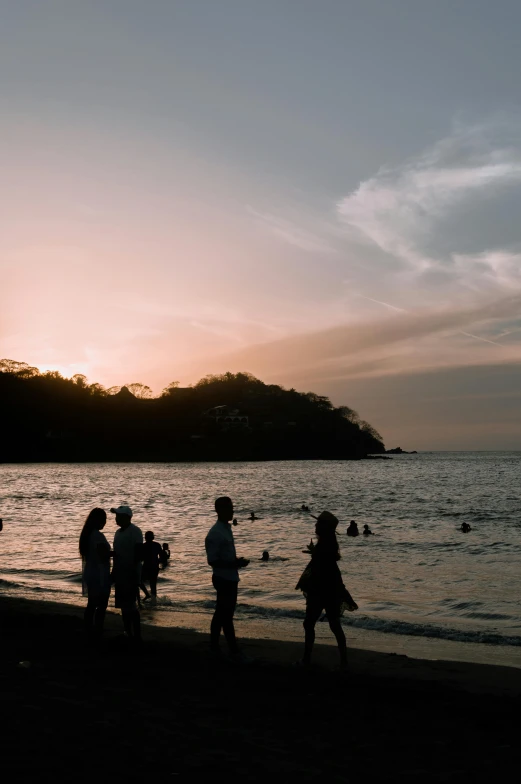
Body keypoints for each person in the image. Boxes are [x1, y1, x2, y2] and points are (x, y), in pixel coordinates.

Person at [296, 511, 358, 670]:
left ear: (323, 527)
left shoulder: (324, 546)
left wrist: (314, 553)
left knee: (310, 623)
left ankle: (307, 659)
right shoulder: (328, 544)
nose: (315, 525)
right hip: (331, 588)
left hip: (321, 589)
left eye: (318, 523)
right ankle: (343, 661)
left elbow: (321, 565)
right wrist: (314, 551)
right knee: (334, 625)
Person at [205, 496, 249, 659]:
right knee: (226, 615)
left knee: (221, 614)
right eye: (229, 508)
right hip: (224, 578)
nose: (232, 510)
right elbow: (213, 560)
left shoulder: (225, 528)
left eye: (232, 507)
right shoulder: (215, 533)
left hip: (229, 576)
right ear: (219, 510)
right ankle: (232, 649)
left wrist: (236, 562)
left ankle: (215, 645)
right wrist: (234, 564)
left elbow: (224, 556)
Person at [111, 505, 143, 642]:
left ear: (127, 517)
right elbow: (117, 554)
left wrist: (134, 572)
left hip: (130, 572)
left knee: (131, 605)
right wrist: (113, 571)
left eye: (118, 516)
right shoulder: (118, 533)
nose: (116, 518)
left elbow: (139, 553)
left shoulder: (135, 531)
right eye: (116, 515)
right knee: (123, 605)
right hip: (120, 573)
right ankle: (127, 631)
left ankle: (136, 634)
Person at [79, 508, 111, 638]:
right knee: (101, 605)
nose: (105, 523)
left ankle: (88, 629)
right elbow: (103, 555)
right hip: (99, 574)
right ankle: (98, 630)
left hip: (90, 572)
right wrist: (119, 554)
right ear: (98, 520)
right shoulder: (97, 535)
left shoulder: (87, 535)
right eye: (104, 520)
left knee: (92, 604)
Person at [139, 531, 163, 601]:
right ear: (153, 537)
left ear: (145, 537)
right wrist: (158, 562)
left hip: (146, 566)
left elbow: (141, 558)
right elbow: (161, 557)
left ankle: (147, 594)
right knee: (153, 584)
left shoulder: (143, 546)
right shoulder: (157, 545)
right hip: (155, 566)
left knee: (139, 581)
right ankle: (153, 600)